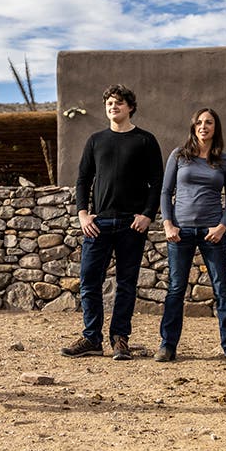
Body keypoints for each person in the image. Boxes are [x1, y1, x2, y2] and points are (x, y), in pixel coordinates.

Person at [63, 84, 163, 361]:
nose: (113, 107)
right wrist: (82, 213)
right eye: (109, 103)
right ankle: (92, 338)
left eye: (118, 102)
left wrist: (147, 214)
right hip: (99, 223)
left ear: (130, 107)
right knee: (89, 281)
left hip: (133, 223)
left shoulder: (145, 140)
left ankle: (120, 339)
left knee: (126, 283)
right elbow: (83, 180)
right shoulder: (95, 140)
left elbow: (157, 181)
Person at [155, 108, 226, 365]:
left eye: (209, 122)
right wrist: (168, 224)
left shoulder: (225, 161)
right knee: (175, 289)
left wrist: (222, 226)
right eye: (199, 122)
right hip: (180, 233)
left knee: (222, 288)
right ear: (193, 127)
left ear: (216, 128)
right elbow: (165, 191)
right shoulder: (179, 156)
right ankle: (167, 345)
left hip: (211, 233)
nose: (204, 126)